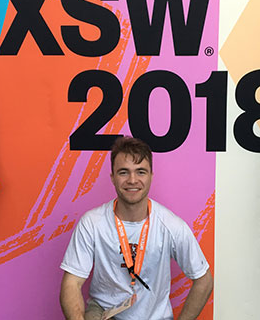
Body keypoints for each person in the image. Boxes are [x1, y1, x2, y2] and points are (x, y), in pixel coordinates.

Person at [59, 136, 213, 320]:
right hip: (105, 313)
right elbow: (72, 283)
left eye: (140, 172)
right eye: (124, 172)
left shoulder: (171, 225)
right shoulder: (92, 223)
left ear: (150, 177)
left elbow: (204, 280)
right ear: (113, 178)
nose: (132, 180)